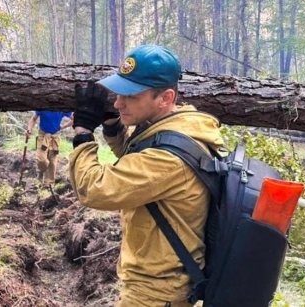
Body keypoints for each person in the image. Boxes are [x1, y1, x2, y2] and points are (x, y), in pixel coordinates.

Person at [68, 45, 224, 307]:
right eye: (119, 94)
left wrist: (83, 134)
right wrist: (112, 123)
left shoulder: (167, 160)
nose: (118, 103)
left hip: (156, 293)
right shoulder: (177, 128)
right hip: (163, 282)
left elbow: (94, 189)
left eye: (131, 96)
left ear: (165, 97)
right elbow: (138, 156)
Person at [26, 111, 73, 185]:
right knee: (41, 159)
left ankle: (49, 185)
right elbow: (33, 119)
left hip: (54, 137)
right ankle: (40, 173)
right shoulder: (43, 105)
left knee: (52, 161)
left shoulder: (61, 107)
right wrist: (29, 130)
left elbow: (74, 119)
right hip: (43, 136)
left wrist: (62, 127)